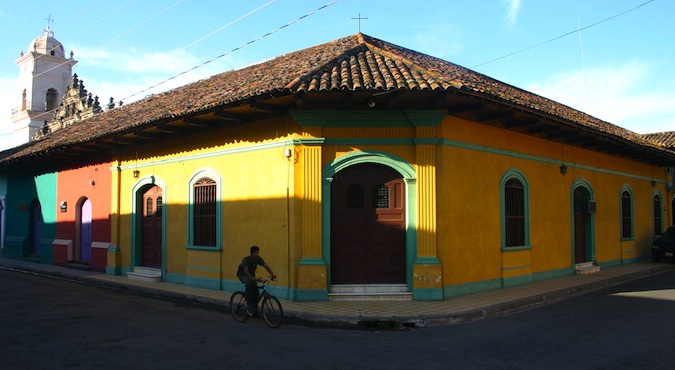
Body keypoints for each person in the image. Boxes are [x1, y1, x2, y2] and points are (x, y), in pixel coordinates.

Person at [237, 245, 276, 316]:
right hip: (243, 276)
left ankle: (255, 309)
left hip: (252, 277)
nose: (257, 254)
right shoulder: (246, 259)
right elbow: (245, 270)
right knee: (249, 283)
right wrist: (252, 278)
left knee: (256, 293)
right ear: (252, 253)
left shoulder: (258, 258)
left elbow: (265, 266)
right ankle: (249, 306)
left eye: (258, 252)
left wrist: (272, 274)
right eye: (255, 253)